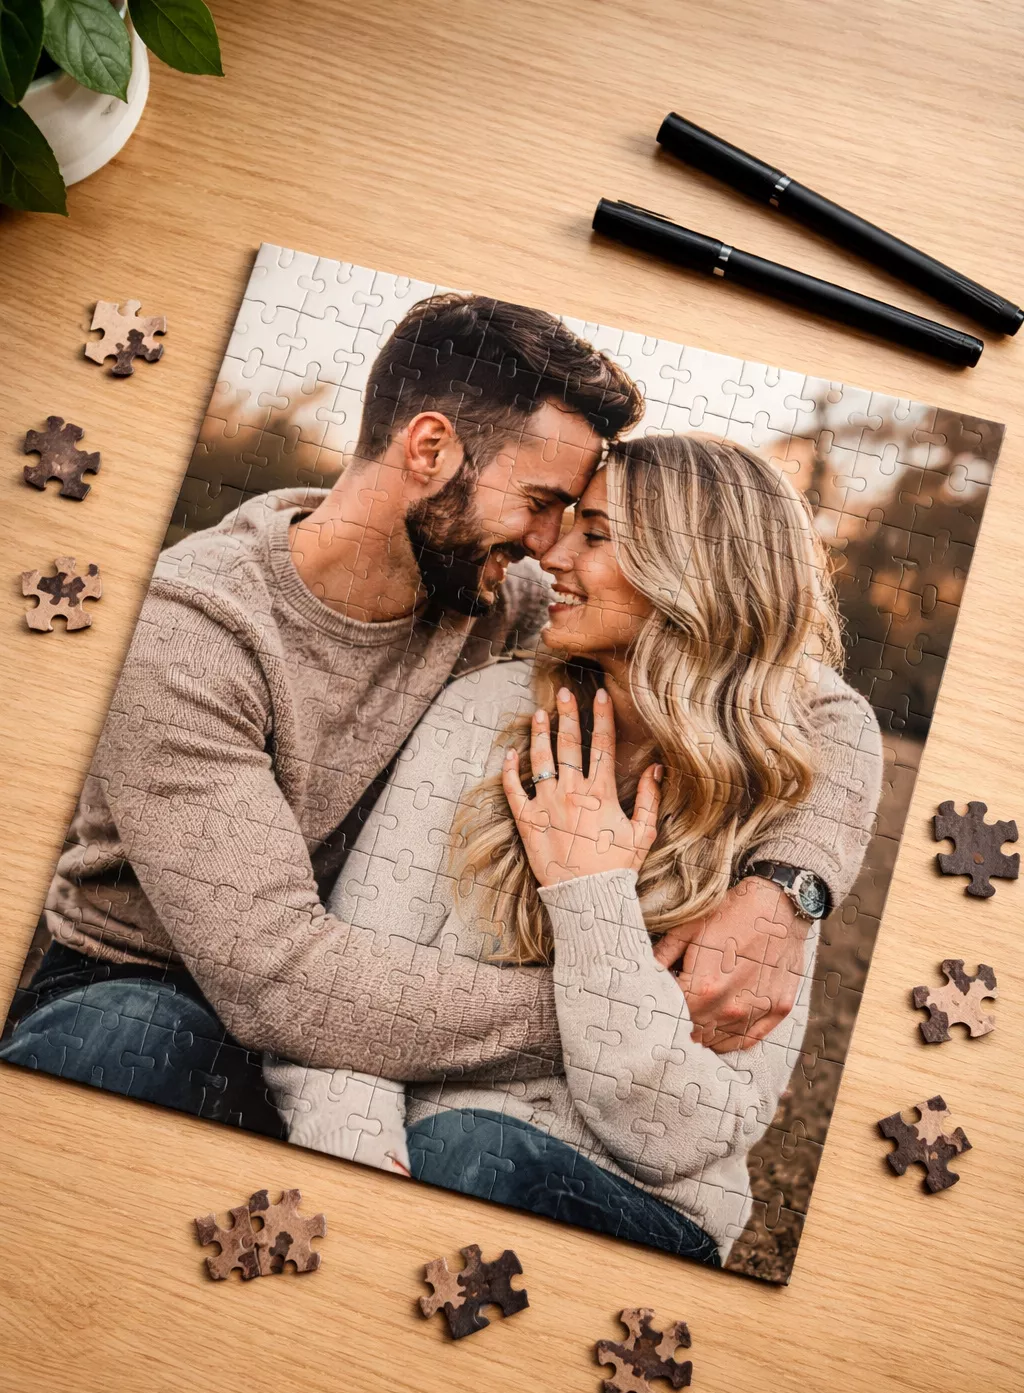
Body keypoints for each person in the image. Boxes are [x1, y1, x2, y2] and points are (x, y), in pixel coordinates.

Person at [2, 293, 868, 1140]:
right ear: (428, 448)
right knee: (123, 1044)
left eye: (573, 521)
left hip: (378, 1030)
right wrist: (629, 1009)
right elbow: (280, 982)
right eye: (538, 502)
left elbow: (806, 697)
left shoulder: (507, 601)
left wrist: (786, 889)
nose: (548, 546)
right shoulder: (190, 635)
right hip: (156, 986)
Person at [265, 435, 882, 1265]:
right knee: (449, 1157)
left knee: (474, 1153)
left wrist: (591, 896)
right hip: (414, 1164)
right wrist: (363, 1173)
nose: (548, 554)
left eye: (594, 535)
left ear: (690, 570)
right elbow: (351, 996)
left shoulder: (783, 810)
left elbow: (678, 1135)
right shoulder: (482, 714)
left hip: (644, 1211)